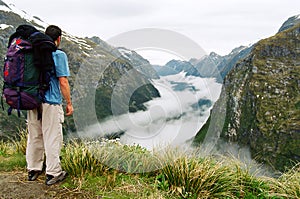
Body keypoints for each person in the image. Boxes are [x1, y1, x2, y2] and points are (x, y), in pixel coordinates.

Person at [26, 25, 73, 185]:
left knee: (34, 135)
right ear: (58, 39)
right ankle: (53, 173)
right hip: (51, 102)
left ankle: (33, 169)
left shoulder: (32, 52)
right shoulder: (59, 55)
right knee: (52, 136)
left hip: (32, 100)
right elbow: (63, 81)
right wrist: (69, 103)